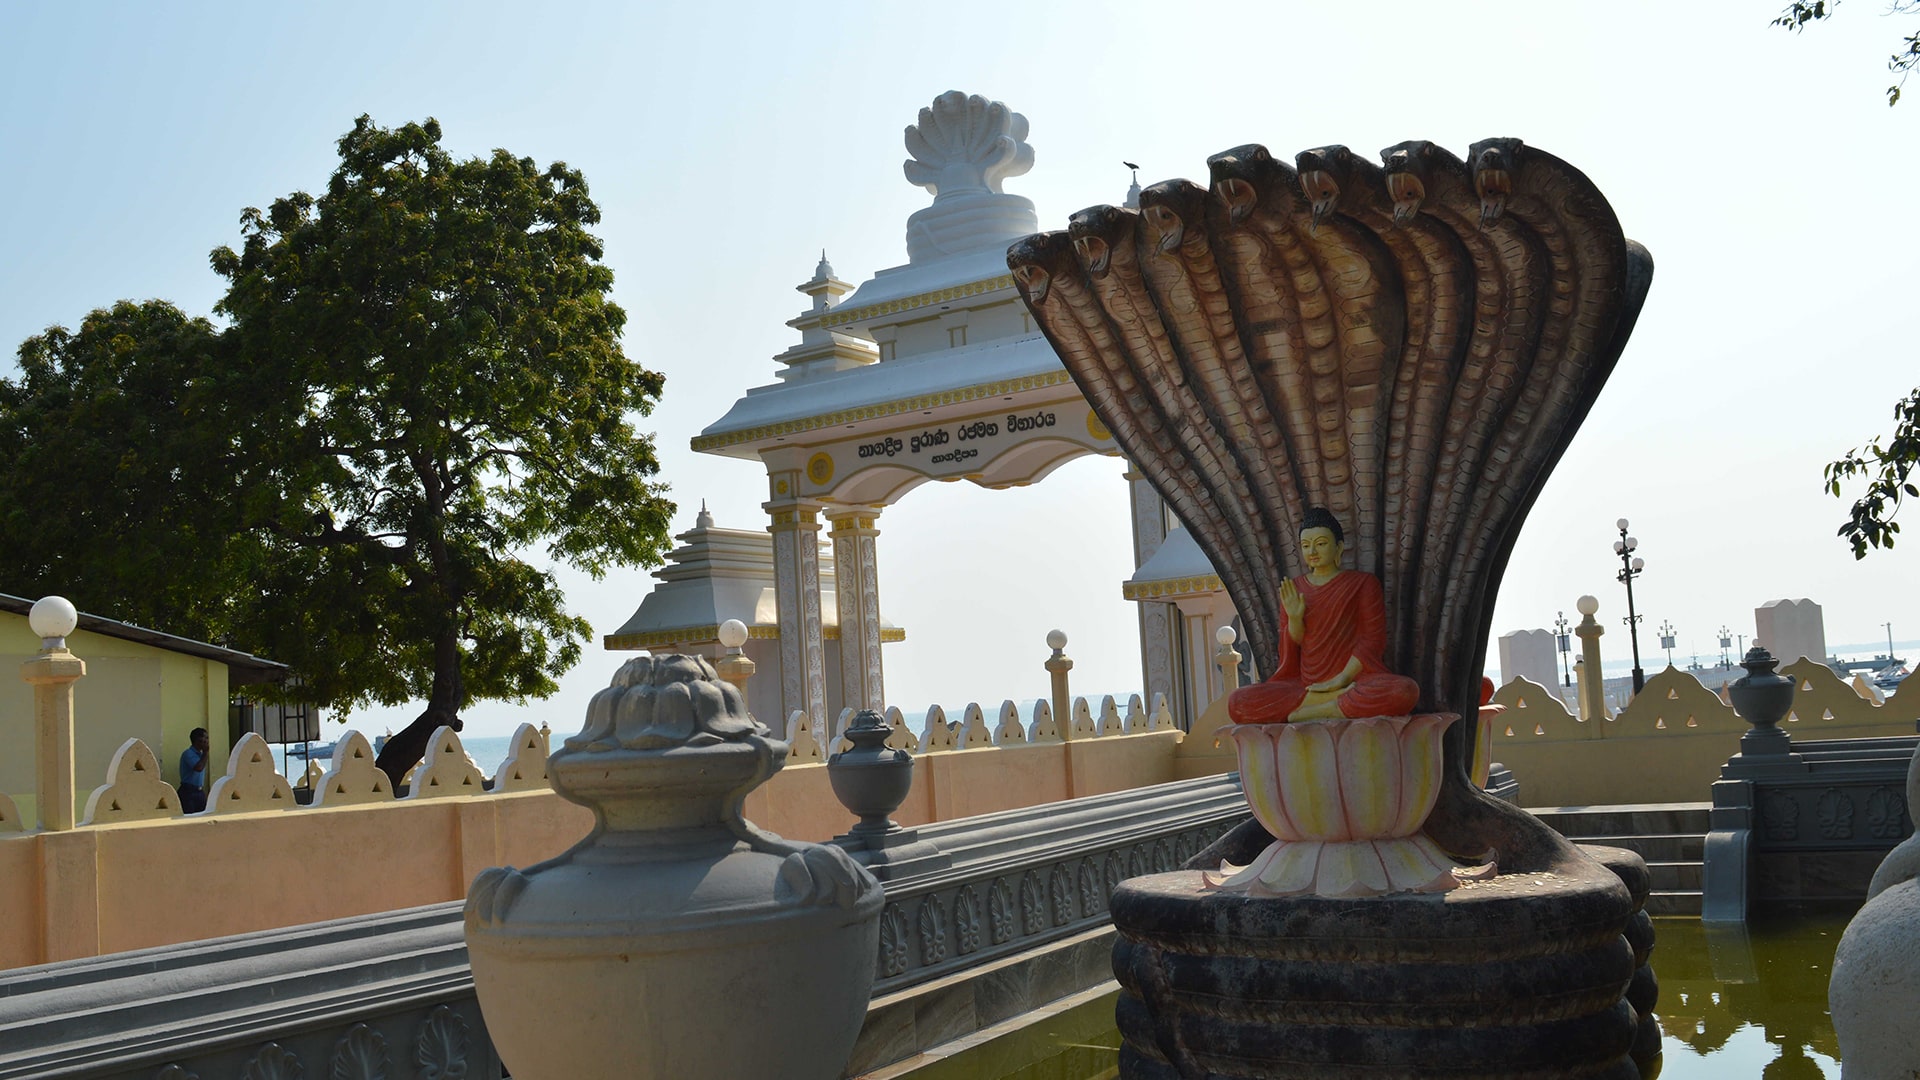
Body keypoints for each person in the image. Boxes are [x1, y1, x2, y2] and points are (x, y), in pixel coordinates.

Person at [1228, 507, 1420, 723]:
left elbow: (1373, 640)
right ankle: (1333, 702)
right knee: (1237, 702)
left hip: (1353, 680)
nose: (1313, 551)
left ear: (1339, 547)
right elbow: (1292, 648)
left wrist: (1342, 679)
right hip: (1305, 686)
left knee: (1404, 690)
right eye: (1306, 545)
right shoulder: (1295, 589)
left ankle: (1321, 708)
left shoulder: (1363, 584)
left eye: (1320, 543)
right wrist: (1294, 619)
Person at [178, 727, 211, 813]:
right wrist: (206, 752)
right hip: (188, 792)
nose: (207, 741)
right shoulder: (188, 753)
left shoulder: (200, 755)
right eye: (205, 738)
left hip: (199, 791)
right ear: (198, 740)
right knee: (189, 818)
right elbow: (199, 768)